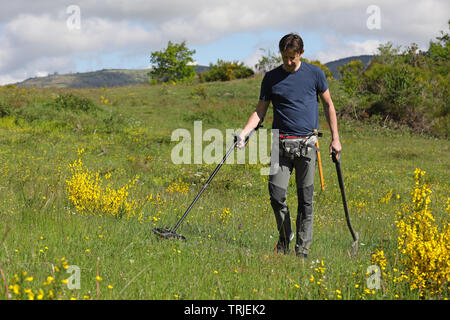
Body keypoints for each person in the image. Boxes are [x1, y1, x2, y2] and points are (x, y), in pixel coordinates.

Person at [237, 33, 342, 258]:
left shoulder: (315, 74)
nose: (288, 62)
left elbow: (328, 105)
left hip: (307, 147)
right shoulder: (271, 78)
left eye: (292, 57)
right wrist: (244, 133)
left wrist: (335, 138)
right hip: (281, 146)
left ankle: (302, 251)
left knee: (306, 201)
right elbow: (260, 111)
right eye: (284, 57)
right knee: (276, 195)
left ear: (301, 53)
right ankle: (285, 237)